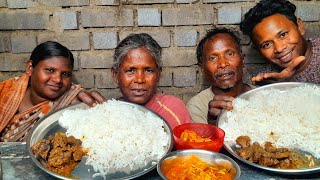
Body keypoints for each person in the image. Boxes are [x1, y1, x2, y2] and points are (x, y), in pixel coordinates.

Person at [0, 41, 105, 142]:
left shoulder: (71, 102)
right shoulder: (4, 91)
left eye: (65, 74)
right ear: (30, 68)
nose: (58, 79)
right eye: (50, 70)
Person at [111, 33, 191, 129]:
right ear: (115, 75)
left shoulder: (172, 108)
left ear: (158, 74)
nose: (140, 79)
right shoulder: (108, 113)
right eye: (130, 71)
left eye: (148, 71)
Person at [240, 0, 320, 84]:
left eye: (283, 35)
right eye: (267, 44)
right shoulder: (267, 79)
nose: (279, 48)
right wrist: (280, 88)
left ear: (300, 27)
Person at [187, 28, 252, 124]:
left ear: (242, 59)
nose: (222, 64)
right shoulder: (197, 107)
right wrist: (213, 125)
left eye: (230, 54)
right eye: (213, 58)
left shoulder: (263, 95)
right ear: (202, 68)